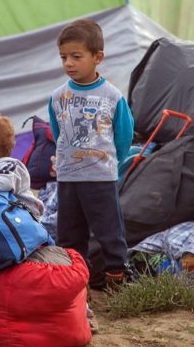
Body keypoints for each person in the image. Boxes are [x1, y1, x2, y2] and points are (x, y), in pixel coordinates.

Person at [48, 19, 133, 292]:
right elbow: (57, 130)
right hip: (68, 178)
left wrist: (110, 163)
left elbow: (124, 136)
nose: (69, 63)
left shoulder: (112, 96)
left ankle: (117, 278)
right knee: (70, 234)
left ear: (98, 58)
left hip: (100, 177)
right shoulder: (58, 96)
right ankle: (76, 286)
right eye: (64, 57)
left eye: (76, 56)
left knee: (109, 230)